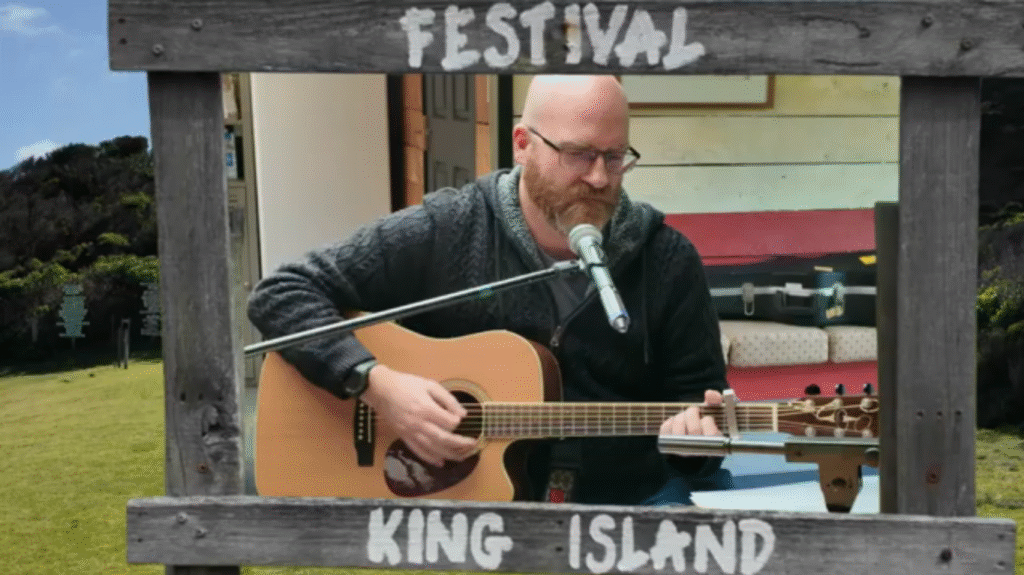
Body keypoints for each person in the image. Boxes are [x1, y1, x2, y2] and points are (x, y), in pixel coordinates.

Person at [247, 75, 733, 506]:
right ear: (523, 144)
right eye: (578, 154)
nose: (599, 177)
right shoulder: (449, 228)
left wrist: (696, 446)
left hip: (624, 499)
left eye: (615, 156)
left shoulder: (668, 260)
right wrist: (377, 385)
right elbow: (282, 293)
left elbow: (700, 416)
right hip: (463, 501)